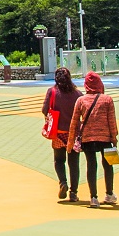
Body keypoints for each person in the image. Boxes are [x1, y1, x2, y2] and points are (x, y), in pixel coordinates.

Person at [68, 70, 119, 207]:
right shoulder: (107, 99)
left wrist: (70, 142)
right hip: (106, 137)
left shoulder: (81, 100)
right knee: (108, 164)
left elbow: (74, 122)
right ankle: (109, 194)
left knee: (91, 165)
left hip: (87, 138)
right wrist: (114, 137)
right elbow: (112, 121)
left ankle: (93, 198)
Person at [42, 67, 83, 201]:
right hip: (73, 133)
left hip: (57, 132)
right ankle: (74, 192)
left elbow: (44, 109)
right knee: (74, 162)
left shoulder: (52, 92)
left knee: (59, 160)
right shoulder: (77, 94)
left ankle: (63, 183)